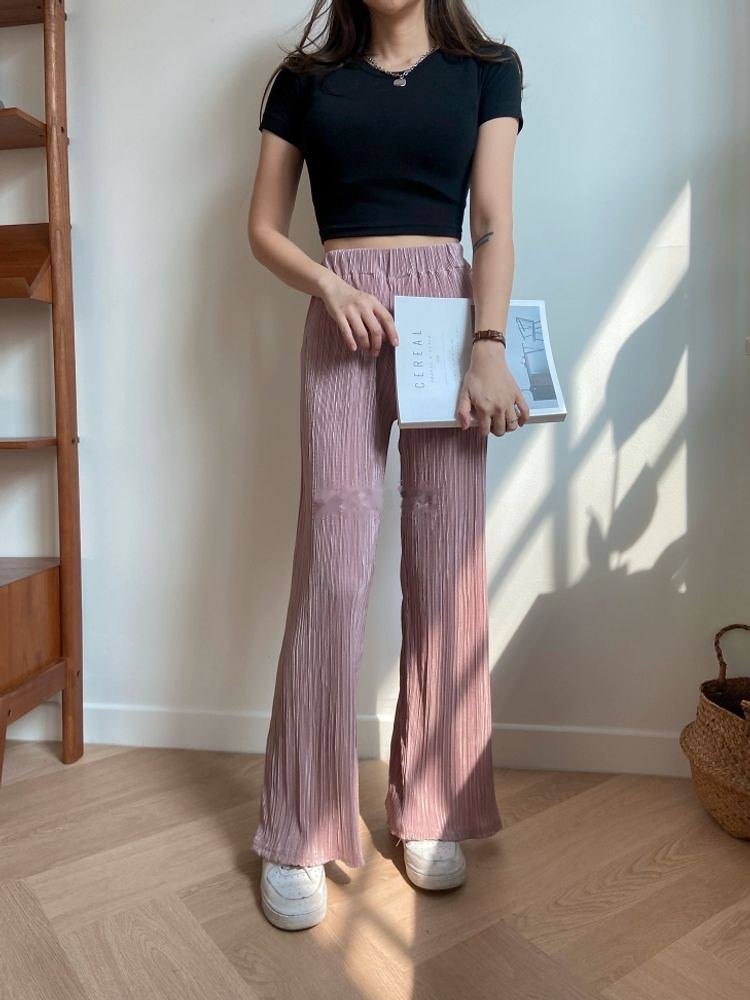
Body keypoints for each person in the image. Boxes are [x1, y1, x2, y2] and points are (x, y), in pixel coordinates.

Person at [247, 0, 527, 931]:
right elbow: (264, 227)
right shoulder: (305, 81)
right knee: (332, 568)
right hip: (342, 317)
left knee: (445, 568)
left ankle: (433, 806)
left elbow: (492, 223)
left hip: (448, 319)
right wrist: (327, 284)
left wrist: (488, 344)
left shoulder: (486, 69)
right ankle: (298, 823)